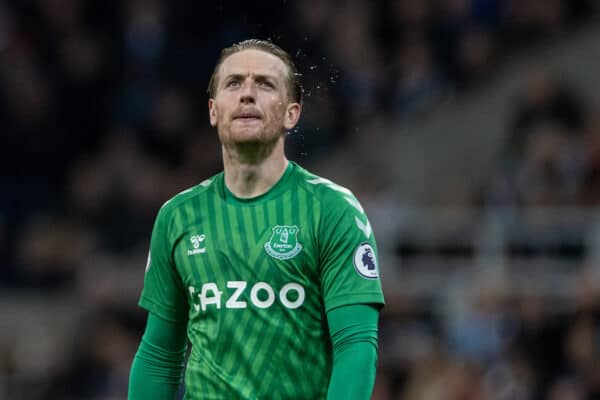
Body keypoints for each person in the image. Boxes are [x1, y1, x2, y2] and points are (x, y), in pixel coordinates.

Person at [128, 38, 385, 400]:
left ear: (291, 114)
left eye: (265, 84)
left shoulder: (332, 209)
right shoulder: (177, 216)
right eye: (234, 83)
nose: (247, 94)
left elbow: (356, 345)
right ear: (214, 111)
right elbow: (159, 356)